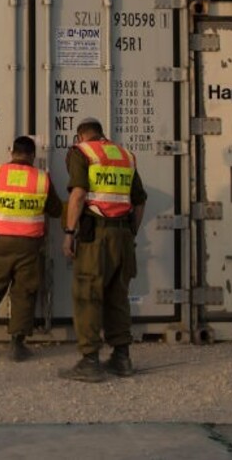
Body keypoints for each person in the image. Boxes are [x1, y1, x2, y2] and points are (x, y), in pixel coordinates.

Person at [59, 117, 146, 382]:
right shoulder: (125, 155)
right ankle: (122, 358)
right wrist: (131, 233)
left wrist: (69, 233)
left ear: (81, 136)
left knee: (88, 294)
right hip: (122, 236)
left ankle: (90, 361)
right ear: (102, 134)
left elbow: (78, 194)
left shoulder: (81, 152)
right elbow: (139, 201)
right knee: (117, 296)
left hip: (96, 236)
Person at [0, 135, 62, 361]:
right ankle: (17, 344)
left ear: (12, 152)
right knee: (23, 293)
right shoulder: (41, 178)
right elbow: (55, 210)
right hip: (30, 246)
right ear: (33, 155)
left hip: (1, 244)